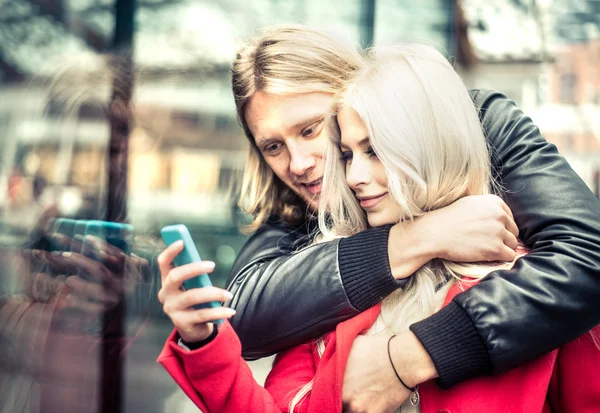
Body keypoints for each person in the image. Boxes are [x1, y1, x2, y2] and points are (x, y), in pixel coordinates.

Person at [157, 44, 600, 413]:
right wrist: (203, 340)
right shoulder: (329, 291)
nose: (298, 164)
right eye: (273, 146)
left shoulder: (528, 293)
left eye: (311, 131)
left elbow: (585, 261)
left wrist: (409, 357)